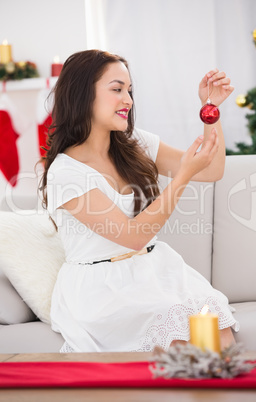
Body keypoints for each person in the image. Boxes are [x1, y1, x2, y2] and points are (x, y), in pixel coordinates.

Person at [40, 49, 239, 353]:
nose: (128, 100)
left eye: (129, 90)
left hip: (154, 268)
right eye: (117, 89)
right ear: (82, 95)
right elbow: (132, 236)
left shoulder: (136, 144)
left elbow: (212, 169)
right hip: (103, 288)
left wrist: (210, 107)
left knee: (220, 338)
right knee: (184, 347)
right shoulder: (65, 173)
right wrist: (182, 176)